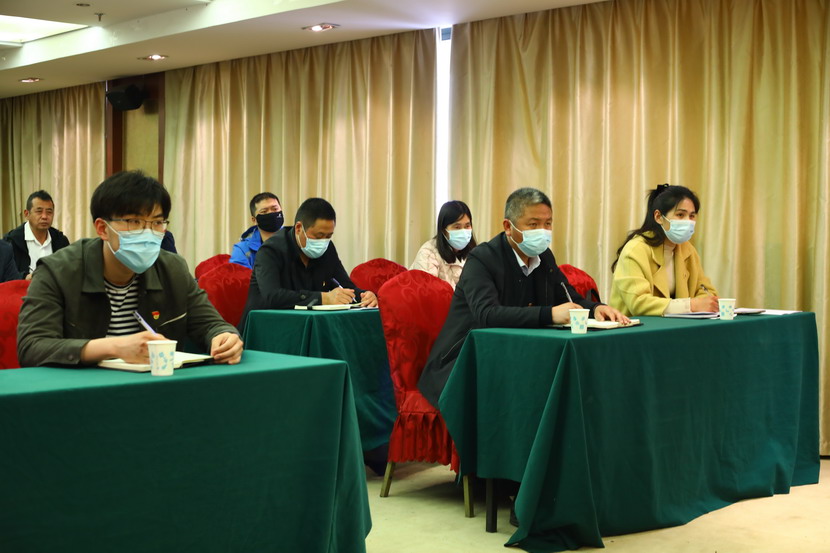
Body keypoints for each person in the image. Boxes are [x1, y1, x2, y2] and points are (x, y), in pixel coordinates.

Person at [418, 187, 628, 407]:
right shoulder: (482, 259)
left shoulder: (544, 256)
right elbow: (487, 314)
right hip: (465, 362)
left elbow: (568, 297)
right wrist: (550, 314)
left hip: (517, 355)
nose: (543, 231)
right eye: (533, 224)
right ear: (508, 227)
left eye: (548, 224)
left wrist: (596, 308)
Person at [17, 170, 243, 368]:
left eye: (157, 222)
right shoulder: (57, 271)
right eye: (134, 222)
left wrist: (224, 337)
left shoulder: (172, 269)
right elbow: (32, 347)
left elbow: (211, 324)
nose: (147, 233)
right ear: (102, 228)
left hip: (154, 388)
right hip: (82, 390)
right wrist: (113, 347)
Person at [241, 198, 378, 323]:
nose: (323, 242)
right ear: (299, 228)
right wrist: (323, 298)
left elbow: (346, 286)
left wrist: (365, 296)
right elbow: (272, 296)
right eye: (318, 236)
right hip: (267, 325)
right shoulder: (270, 250)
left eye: (328, 236)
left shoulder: (327, 248)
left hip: (308, 323)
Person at [609, 183, 719, 316]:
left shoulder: (688, 250)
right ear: (658, 217)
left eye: (692, 216)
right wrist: (691, 305)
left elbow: (706, 291)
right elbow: (639, 303)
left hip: (677, 326)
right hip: (636, 326)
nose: (688, 221)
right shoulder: (635, 250)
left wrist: (704, 303)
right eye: (680, 215)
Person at [3, 190, 70, 280]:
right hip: (24, 288)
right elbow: (6, 277)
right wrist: (26, 277)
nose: (44, 216)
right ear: (27, 214)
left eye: (49, 212)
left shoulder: (61, 241)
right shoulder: (10, 242)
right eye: (39, 211)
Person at [410, 200, 477, 289]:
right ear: (443, 230)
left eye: (467, 226)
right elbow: (426, 291)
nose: (463, 231)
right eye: (457, 227)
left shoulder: (474, 252)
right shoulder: (428, 254)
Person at [230, 192, 283, 269]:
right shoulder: (242, 250)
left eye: (275, 209)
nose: (271, 213)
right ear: (254, 220)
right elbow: (239, 275)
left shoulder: (296, 241)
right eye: (264, 211)